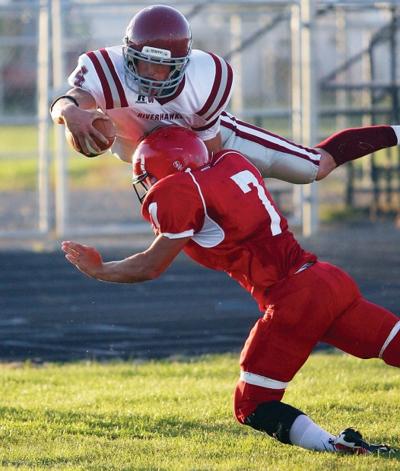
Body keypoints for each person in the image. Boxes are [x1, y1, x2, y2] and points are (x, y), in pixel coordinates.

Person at [62, 125, 399, 455]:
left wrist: (99, 269)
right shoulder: (233, 160)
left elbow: (150, 265)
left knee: (252, 403)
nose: (147, 185)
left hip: (292, 297)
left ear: (166, 171)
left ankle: (337, 447)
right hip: (327, 279)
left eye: (149, 176)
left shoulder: (180, 192)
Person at [51, 4, 400, 185]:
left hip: (206, 142)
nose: (151, 75)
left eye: (162, 68)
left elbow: (210, 151)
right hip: (136, 145)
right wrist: (71, 114)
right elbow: (69, 101)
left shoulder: (208, 78)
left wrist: (213, 192)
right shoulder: (105, 68)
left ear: (183, 63)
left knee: (314, 168)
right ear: (128, 56)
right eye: (142, 65)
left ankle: (396, 132)